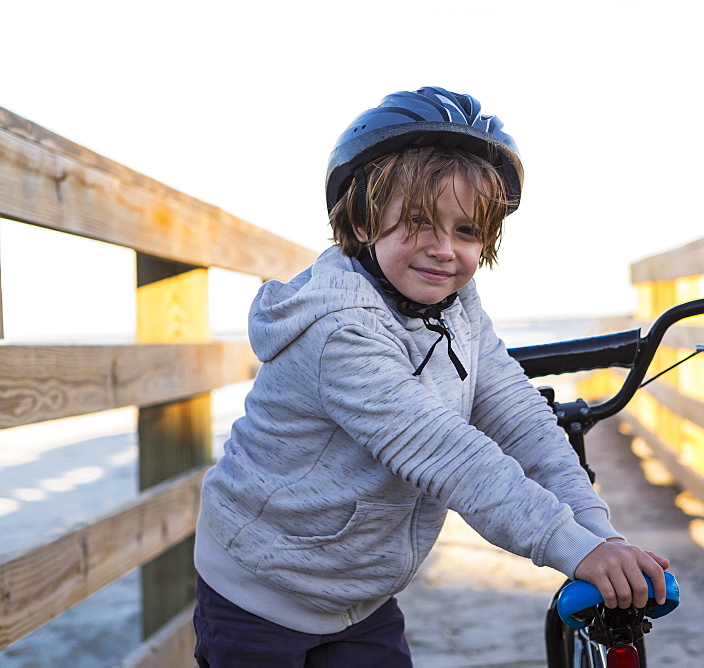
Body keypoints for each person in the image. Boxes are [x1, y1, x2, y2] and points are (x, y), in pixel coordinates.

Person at [192, 86, 671, 666]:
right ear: (364, 220)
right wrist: (571, 549)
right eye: (418, 222)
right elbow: (450, 457)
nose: (444, 250)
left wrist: (598, 536)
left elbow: (520, 420)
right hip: (258, 593)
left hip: (361, 599)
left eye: (467, 231)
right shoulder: (339, 329)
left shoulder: (457, 305)